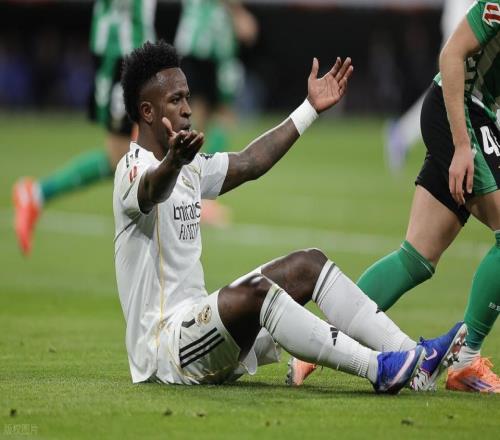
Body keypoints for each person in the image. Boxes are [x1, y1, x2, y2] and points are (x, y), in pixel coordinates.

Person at [113, 40, 466, 391]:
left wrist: (309, 109)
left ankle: (416, 358)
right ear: (147, 111)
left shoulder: (189, 167)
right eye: (176, 100)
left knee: (308, 265)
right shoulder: (132, 169)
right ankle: (379, 369)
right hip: (165, 350)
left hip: (201, 332)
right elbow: (151, 190)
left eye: (187, 97)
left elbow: (251, 162)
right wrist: (173, 162)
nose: (188, 109)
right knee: (258, 292)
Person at [293, 1, 500, 393]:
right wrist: (461, 146)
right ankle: (465, 361)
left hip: (476, 114)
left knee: (416, 258)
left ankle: (316, 343)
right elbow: (451, 55)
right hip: (461, 113)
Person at [12, 0, 157, 255]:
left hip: (138, 51)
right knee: (122, 157)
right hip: (121, 53)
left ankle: (36, 194)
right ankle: (36, 193)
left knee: (129, 155)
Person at [174, 0, 259, 225]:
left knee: (219, 117)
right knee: (198, 119)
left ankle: (197, 197)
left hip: (216, 47)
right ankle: (193, 198)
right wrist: (239, 13)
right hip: (202, 46)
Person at [386, 0, 474, 171]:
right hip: (462, 29)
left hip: (466, 26)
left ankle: (402, 134)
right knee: (447, 95)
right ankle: (402, 135)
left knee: (447, 95)